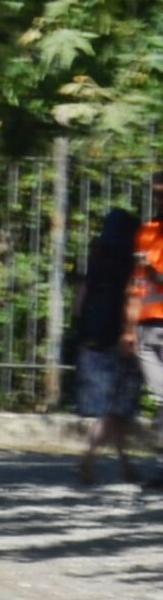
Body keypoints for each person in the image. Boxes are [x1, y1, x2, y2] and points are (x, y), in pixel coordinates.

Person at [73, 207, 140, 485]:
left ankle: (125, 465)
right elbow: (130, 301)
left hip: (92, 341)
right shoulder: (131, 265)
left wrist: (82, 330)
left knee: (113, 409)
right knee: (116, 408)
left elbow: (78, 304)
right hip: (119, 340)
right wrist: (129, 332)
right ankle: (89, 458)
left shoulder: (96, 262)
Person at [131, 174, 163, 488]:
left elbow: (150, 275)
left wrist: (154, 272)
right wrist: (128, 328)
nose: (158, 200)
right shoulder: (146, 232)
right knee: (162, 399)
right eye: (155, 194)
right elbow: (136, 284)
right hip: (146, 325)